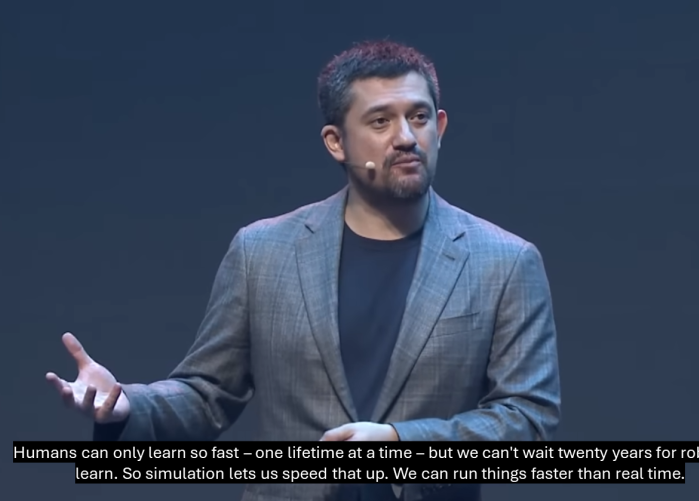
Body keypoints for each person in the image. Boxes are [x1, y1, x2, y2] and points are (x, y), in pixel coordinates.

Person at [45, 40, 561, 501]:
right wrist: (126, 405)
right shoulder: (263, 252)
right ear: (336, 142)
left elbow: (528, 419)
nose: (406, 137)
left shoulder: (504, 261)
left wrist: (401, 442)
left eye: (419, 117)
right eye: (380, 121)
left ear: (440, 127)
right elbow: (206, 395)